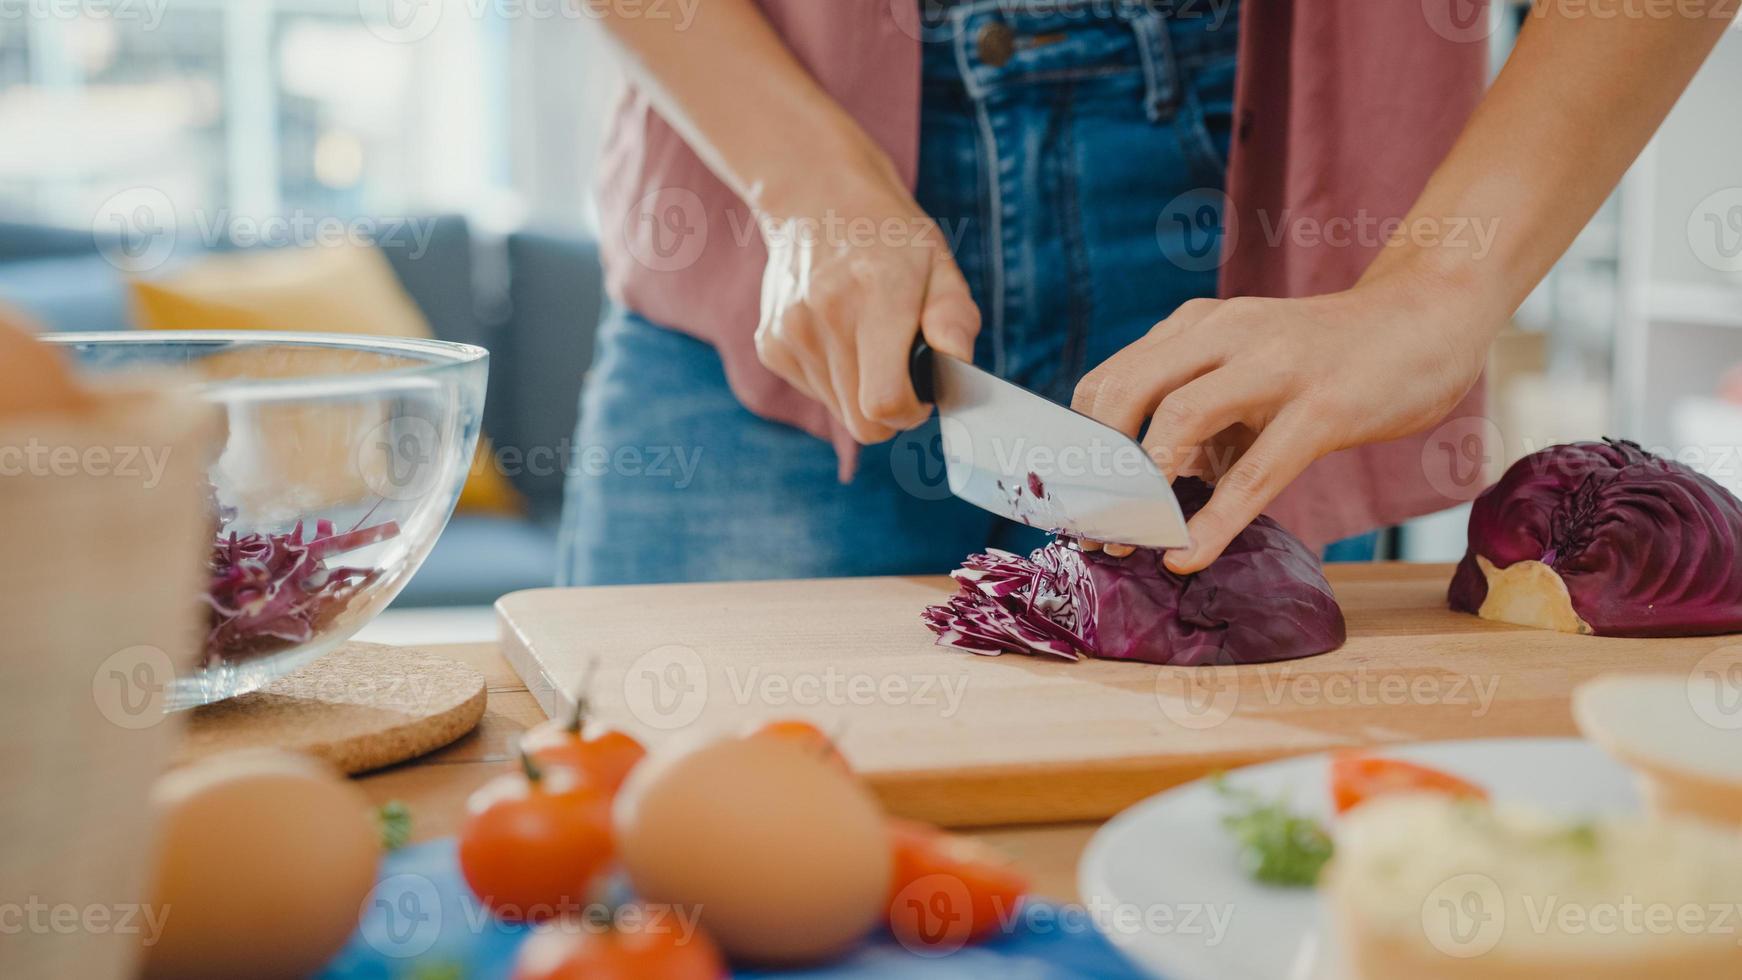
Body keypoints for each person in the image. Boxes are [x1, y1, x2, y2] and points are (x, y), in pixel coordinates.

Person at [559, 0, 1737, 587]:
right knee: (672, 874)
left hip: (1270, 228)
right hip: (760, 229)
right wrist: (804, 181)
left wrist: (1439, 286)